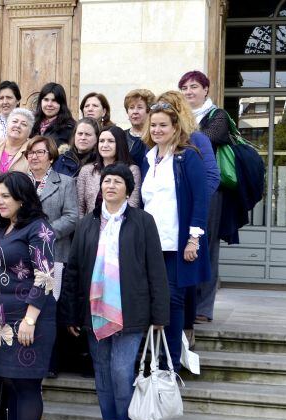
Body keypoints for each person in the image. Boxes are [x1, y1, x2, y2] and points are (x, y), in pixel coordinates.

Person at [58, 164, 170, 420]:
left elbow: (156, 270)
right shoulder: (87, 224)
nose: (110, 185)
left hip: (130, 312)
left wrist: (160, 314)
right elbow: (74, 272)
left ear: (128, 189)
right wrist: (70, 314)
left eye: (117, 181)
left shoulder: (143, 222)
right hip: (94, 313)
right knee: (103, 375)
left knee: (121, 373)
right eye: (107, 180)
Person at [0, 171, 56, 420]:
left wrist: (29, 319)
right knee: (12, 386)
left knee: (26, 386)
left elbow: (45, 275)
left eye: (5, 196)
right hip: (3, 320)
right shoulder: (5, 228)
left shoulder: (38, 227)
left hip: (30, 320)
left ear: (22, 197)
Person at [141, 103, 210, 372]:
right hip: (150, 242)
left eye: (163, 125)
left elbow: (201, 200)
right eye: (154, 125)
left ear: (175, 128)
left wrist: (194, 239)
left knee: (173, 300)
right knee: (153, 300)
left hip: (176, 243)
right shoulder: (148, 158)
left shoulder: (187, 157)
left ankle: (169, 365)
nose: (157, 130)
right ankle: (154, 358)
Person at [179, 70, 231, 325]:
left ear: (206, 90)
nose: (189, 91)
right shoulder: (180, 120)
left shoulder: (216, 115)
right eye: (185, 88)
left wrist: (186, 133)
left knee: (206, 246)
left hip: (211, 191)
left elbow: (211, 137)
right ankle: (190, 302)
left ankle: (204, 307)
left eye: (194, 87)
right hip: (186, 191)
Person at [24, 136, 79, 377]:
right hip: (25, 255)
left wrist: (44, 233)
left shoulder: (65, 182)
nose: (34, 157)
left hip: (55, 254)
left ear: (51, 156)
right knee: (28, 305)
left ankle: (50, 363)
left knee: (49, 309)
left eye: (40, 152)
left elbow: (72, 217)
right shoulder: (20, 182)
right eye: (30, 153)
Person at [76, 126, 142, 216]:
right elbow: (80, 208)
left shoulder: (132, 170)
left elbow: (133, 204)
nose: (105, 145)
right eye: (101, 141)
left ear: (120, 144)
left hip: (121, 225)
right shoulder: (87, 170)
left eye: (111, 141)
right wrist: (84, 228)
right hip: (91, 226)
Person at [0, 108, 34, 174]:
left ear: (29, 132)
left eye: (23, 124)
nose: (18, 126)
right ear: (7, 125)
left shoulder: (33, 152)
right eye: (14, 121)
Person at [30, 82, 75, 148]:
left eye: (54, 100)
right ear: (40, 102)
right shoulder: (31, 123)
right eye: (46, 100)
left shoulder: (69, 128)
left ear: (61, 104)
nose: (49, 104)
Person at [123, 89, 155, 169]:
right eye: (131, 108)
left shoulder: (155, 135)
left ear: (149, 111)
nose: (135, 112)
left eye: (139, 107)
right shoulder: (121, 136)